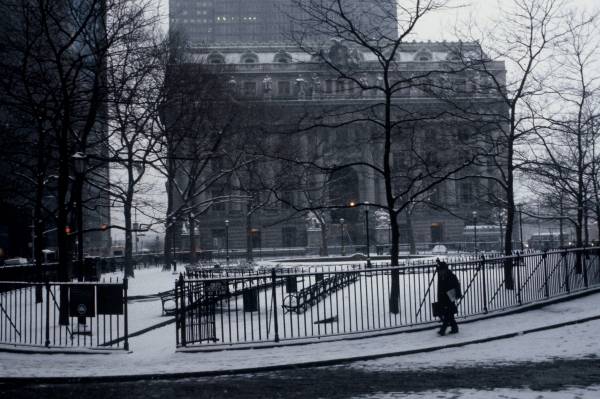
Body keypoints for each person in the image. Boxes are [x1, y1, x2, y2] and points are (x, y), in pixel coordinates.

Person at [436, 260, 461, 336]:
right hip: (446, 297)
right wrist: (439, 264)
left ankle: (442, 330)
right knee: (449, 314)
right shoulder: (444, 275)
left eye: (441, 271)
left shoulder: (449, 276)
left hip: (449, 297)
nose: (440, 273)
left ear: (445, 270)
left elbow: (450, 287)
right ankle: (454, 328)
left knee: (448, 314)